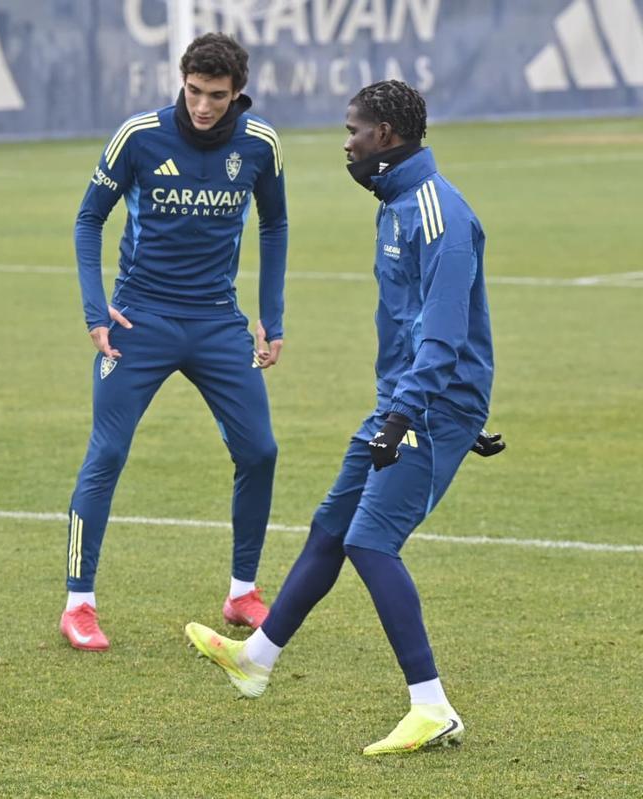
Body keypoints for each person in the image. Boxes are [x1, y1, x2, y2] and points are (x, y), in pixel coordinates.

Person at [185, 80, 506, 755]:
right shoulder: (394, 204)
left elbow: (445, 339)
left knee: (370, 541)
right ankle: (258, 658)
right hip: (410, 396)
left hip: (425, 402)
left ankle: (432, 704)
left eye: (354, 129)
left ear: (386, 135)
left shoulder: (436, 215)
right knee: (333, 525)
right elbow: (428, 329)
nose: (347, 142)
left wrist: (427, 414)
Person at [60, 33, 288, 651]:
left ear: (238, 93)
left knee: (260, 451)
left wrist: (272, 316)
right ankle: (78, 603)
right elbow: (88, 219)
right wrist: (94, 308)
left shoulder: (260, 144)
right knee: (106, 455)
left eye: (217, 95)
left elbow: (275, 222)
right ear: (181, 81)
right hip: (139, 321)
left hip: (218, 322)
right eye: (194, 91)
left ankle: (242, 593)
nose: (203, 106)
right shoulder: (138, 136)